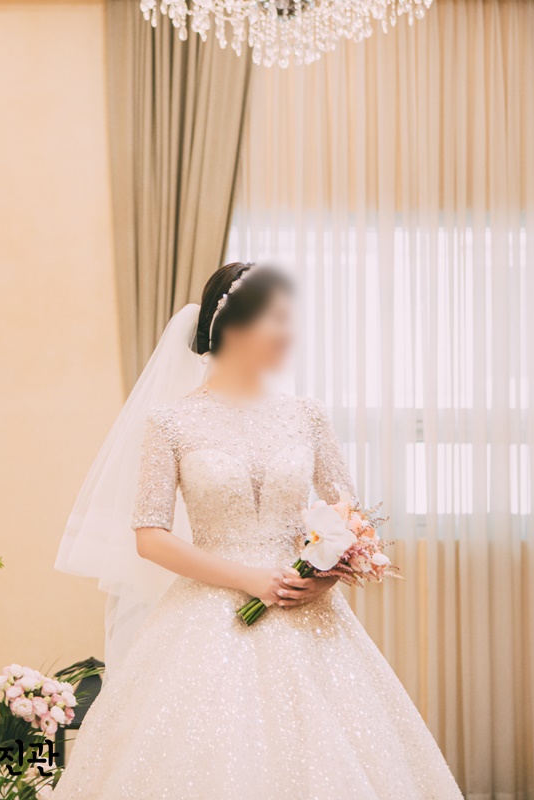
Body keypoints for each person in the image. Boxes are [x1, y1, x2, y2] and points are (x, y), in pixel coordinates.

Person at [52, 263, 462, 799]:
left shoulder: (307, 415)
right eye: (276, 319)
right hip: (205, 614)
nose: (288, 332)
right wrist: (248, 578)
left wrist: (322, 578)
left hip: (306, 609)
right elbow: (149, 535)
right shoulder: (171, 422)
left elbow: (349, 514)